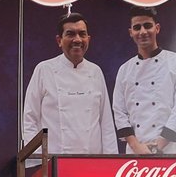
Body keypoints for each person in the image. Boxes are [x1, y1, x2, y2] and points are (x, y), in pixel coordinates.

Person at [21, 12, 114, 164]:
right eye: (70, 34)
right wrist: (37, 160)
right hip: (53, 163)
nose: (77, 39)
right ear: (59, 40)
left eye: (82, 34)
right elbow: (30, 117)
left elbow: (106, 122)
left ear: (88, 39)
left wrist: (110, 162)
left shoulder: (96, 71)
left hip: (92, 163)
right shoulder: (44, 69)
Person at [111, 6, 176, 155]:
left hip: (170, 150)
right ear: (131, 33)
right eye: (137, 27)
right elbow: (119, 111)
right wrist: (137, 147)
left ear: (157, 28)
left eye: (147, 26)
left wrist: (156, 147)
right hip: (135, 152)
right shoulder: (124, 70)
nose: (143, 31)